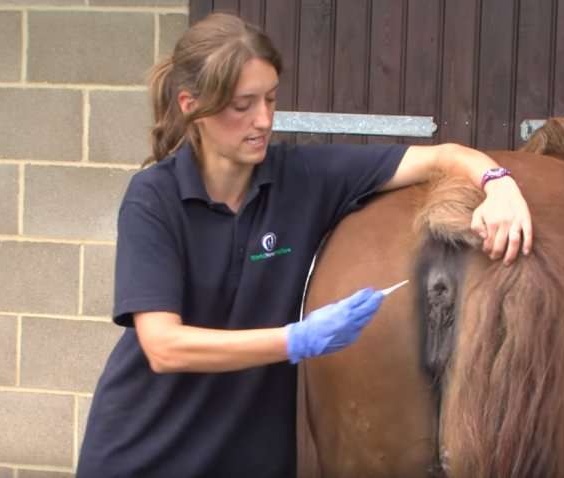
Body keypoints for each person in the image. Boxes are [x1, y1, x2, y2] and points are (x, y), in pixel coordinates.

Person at [77, 12, 532, 478]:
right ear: (192, 104)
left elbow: (443, 157)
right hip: (144, 454)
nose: (263, 120)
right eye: (243, 105)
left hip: (248, 460)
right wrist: (297, 340)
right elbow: (164, 347)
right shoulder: (154, 198)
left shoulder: (303, 178)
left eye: (271, 99)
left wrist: (500, 185)